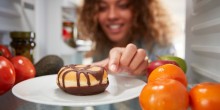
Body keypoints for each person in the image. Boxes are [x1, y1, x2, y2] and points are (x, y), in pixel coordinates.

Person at [77, 0, 176, 109]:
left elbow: (173, 94)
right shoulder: (100, 48)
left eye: (123, 6)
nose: (112, 15)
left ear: (140, 9)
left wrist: (145, 72)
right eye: (102, 8)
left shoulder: (161, 46)